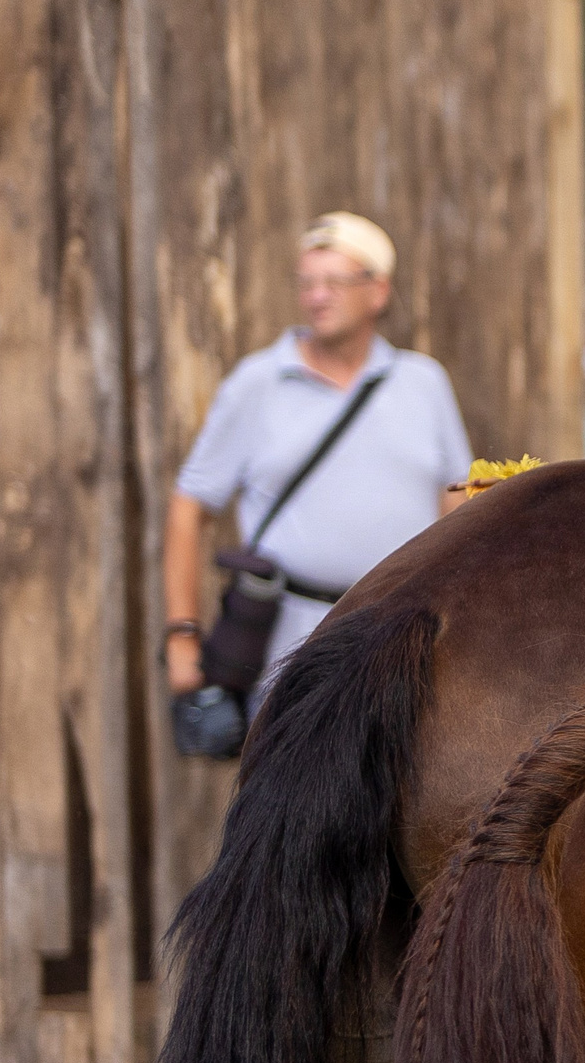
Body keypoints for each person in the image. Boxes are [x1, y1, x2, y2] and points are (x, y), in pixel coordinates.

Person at [164, 212, 471, 706]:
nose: (316, 296)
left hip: (405, 642)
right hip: (291, 650)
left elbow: (456, 501)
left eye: (334, 281)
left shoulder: (423, 383)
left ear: (378, 291)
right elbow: (189, 505)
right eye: (306, 282)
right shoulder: (258, 382)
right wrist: (182, 634)